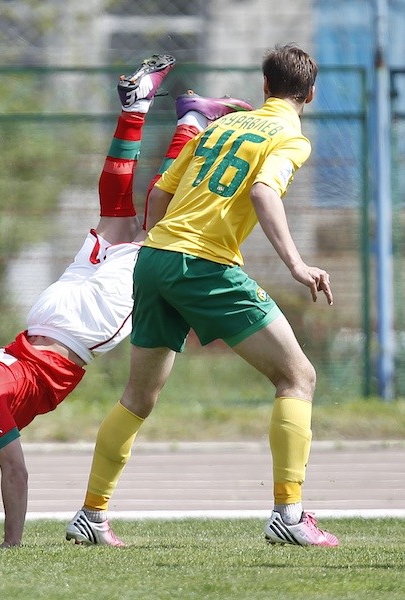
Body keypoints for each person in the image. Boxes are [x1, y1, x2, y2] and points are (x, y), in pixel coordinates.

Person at [0, 54, 253, 548]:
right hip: (47, 315)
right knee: (116, 216)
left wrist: (11, 546)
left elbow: (16, 474)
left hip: (79, 329)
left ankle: (192, 123)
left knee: (162, 230)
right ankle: (140, 110)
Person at [66, 43, 340, 548]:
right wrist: (297, 265)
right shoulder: (290, 136)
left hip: (156, 259)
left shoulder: (221, 126)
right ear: (311, 94)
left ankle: (91, 514)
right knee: (298, 376)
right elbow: (262, 192)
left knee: (138, 397)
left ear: (263, 87)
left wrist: (161, 243)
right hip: (203, 264)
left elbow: (163, 190)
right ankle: (289, 513)